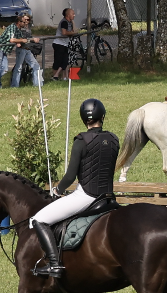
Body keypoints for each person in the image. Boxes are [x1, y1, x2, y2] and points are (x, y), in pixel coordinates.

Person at [31, 98, 120, 279]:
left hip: (87, 196)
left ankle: (54, 265)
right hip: (109, 197)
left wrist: (57, 190)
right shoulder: (113, 139)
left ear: (83, 118)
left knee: (38, 220)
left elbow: (71, 176)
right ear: (102, 116)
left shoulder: (81, 140)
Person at [53, 7, 76, 80]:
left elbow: (74, 31)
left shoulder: (69, 22)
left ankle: (60, 76)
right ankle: (55, 76)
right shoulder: (64, 22)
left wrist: (73, 23)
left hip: (65, 44)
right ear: (68, 15)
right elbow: (64, 32)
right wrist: (72, 33)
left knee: (65, 60)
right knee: (58, 61)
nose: (74, 15)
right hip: (59, 44)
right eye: (73, 14)